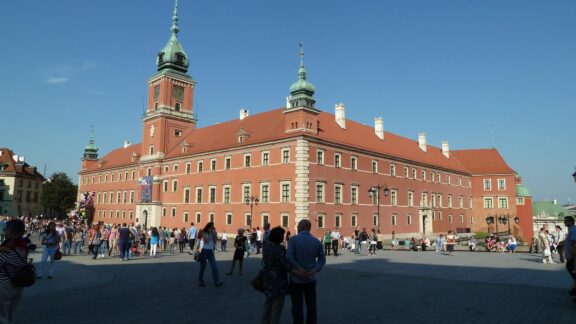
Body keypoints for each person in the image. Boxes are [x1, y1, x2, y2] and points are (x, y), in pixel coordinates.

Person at [286, 219, 326, 324]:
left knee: (297, 305)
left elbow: (289, 257)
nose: (297, 227)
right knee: (311, 305)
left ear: (302, 227)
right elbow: (322, 259)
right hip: (311, 278)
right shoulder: (316, 241)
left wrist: (299, 269)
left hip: (296, 278)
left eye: (298, 225)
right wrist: (314, 269)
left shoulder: (293, 240)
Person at [0, 219, 29, 323]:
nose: (4, 231)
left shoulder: (6, 250)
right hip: (18, 284)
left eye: (6, 229)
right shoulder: (23, 246)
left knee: (2, 317)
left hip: (4, 285)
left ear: (13, 232)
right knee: (11, 315)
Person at [261, 227, 291, 324]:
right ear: (278, 237)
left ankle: (264, 322)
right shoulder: (280, 248)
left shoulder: (266, 247)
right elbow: (285, 264)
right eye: (282, 236)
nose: (283, 237)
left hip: (267, 279)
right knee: (277, 306)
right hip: (278, 281)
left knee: (268, 303)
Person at [197, 222, 223, 287]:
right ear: (209, 227)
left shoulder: (212, 232)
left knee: (214, 267)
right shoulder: (204, 232)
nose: (213, 228)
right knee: (203, 267)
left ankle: (216, 282)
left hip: (210, 251)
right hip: (204, 251)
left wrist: (215, 236)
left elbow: (214, 240)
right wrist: (209, 233)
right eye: (212, 227)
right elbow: (206, 241)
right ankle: (201, 281)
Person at [561, 216, 576, 299]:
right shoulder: (571, 229)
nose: (564, 222)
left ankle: (574, 289)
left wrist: (573, 255)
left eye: (566, 221)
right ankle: (574, 288)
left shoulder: (573, 230)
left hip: (573, 257)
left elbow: (574, 242)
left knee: (572, 270)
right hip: (571, 256)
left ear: (571, 221)